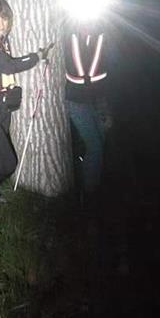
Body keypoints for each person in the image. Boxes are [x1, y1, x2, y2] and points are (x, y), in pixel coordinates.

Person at [0, 0, 51, 215]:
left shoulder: (2, 42)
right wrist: (36, 57)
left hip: (3, 110)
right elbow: (8, 65)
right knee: (8, 164)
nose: (1, 23)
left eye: (5, 19)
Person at [65, 23, 112, 202]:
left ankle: (90, 184)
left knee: (100, 140)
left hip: (97, 99)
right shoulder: (72, 34)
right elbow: (81, 73)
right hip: (76, 100)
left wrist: (105, 108)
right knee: (95, 146)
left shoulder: (102, 35)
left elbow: (105, 71)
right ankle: (88, 194)